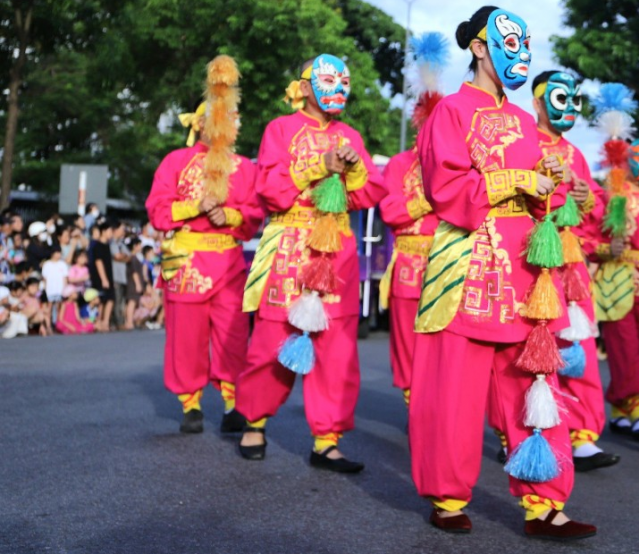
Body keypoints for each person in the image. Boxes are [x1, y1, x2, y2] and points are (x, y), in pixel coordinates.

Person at [409, 5, 595, 539]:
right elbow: (445, 189)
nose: (521, 54)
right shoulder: (451, 111)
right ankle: (447, 496)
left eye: (526, 44)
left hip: (523, 266)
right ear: (479, 47)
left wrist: (548, 181)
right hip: (468, 262)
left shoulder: (523, 120)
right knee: (454, 390)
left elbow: (540, 200)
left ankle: (544, 502)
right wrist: (518, 179)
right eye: (510, 44)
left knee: (533, 382)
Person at [236, 54, 384, 472]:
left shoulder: (350, 136)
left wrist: (354, 169)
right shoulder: (280, 129)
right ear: (304, 87)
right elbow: (269, 187)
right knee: (271, 340)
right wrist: (320, 166)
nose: (339, 88)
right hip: (290, 247)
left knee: (337, 349)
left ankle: (327, 439)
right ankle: (255, 420)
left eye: (344, 81)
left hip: (336, 249)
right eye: (329, 80)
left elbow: (372, 191)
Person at [146, 56, 265, 435]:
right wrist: (194, 207)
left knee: (233, 334)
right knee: (186, 336)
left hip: (228, 262)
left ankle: (232, 401)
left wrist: (227, 215)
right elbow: (157, 210)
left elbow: (255, 214)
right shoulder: (176, 162)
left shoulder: (245, 167)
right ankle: (190, 403)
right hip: (187, 262)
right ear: (201, 124)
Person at [530, 70, 617, 471]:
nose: (569, 108)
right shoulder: (521, 142)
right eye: (559, 98)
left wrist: (586, 196)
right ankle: (521, 431)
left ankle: (582, 435)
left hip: (570, 264)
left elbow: (594, 211)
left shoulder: (575, 154)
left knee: (577, 346)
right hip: (529, 257)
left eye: (572, 100)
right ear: (538, 102)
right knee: (529, 346)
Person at [377, 90, 440, 410]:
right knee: (406, 343)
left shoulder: (458, 164)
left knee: (446, 346)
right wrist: (426, 201)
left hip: (447, 264)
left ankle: (440, 409)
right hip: (408, 264)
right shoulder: (399, 164)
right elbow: (390, 211)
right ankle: (414, 407)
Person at [596, 137, 639, 436]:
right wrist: (606, 247)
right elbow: (592, 234)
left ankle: (619, 407)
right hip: (618, 281)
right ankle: (637, 407)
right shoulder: (613, 197)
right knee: (624, 349)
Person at [88, 221, 114, 332]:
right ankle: (98, 322)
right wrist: (104, 279)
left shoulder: (107, 245)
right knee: (101, 300)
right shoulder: (97, 246)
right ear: (103, 231)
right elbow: (98, 262)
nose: (111, 233)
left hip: (108, 276)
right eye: (110, 231)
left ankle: (105, 322)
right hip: (100, 278)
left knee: (110, 298)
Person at [41, 247, 69, 326]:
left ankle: (57, 324)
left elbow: (65, 278)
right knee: (49, 308)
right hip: (50, 291)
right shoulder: (47, 264)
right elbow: (45, 279)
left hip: (60, 291)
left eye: (59, 253)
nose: (58, 255)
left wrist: (64, 290)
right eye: (57, 253)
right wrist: (45, 290)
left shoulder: (63, 264)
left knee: (58, 308)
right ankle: (49, 324)